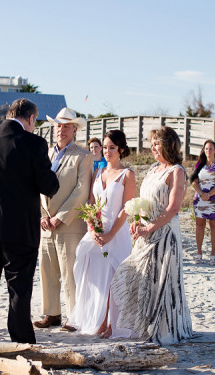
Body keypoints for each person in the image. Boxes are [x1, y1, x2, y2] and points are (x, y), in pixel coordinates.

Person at [0, 98, 59, 344]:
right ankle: (20, 340)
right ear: (30, 119)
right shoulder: (34, 143)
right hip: (18, 228)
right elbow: (49, 186)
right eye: (34, 122)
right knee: (18, 286)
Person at [109, 126, 193, 345]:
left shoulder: (177, 171)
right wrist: (137, 220)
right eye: (152, 143)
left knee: (163, 282)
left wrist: (150, 227)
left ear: (168, 144)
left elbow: (173, 208)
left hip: (164, 235)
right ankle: (146, 327)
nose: (153, 147)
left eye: (157, 143)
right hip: (145, 233)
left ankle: (165, 330)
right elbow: (143, 201)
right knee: (142, 279)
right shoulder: (153, 169)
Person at [65, 130, 135, 335]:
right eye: (104, 147)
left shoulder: (127, 174)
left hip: (117, 232)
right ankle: (99, 320)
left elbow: (126, 208)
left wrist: (110, 234)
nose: (107, 151)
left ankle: (112, 323)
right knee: (94, 275)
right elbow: (91, 204)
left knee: (114, 278)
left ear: (121, 149)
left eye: (112, 147)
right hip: (96, 232)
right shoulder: (98, 173)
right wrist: (91, 227)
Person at [34, 108, 92, 329]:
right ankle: (52, 314)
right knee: (47, 271)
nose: (61, 129)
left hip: (70, 224)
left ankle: (74, 316)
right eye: (58, 125)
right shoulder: (45, 153)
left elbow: (81, 191)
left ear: (75, 130)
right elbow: (36, 184)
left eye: (66, 126)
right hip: (45, 223)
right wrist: (42, 215)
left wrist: (60, 217)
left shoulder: (83, 156)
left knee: (70, 273)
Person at [190, 140, 215, 266]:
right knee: (200, 226)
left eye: (210, 148)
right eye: (206, 149)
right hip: (200, 199)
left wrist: (209, 194)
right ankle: (199, 253)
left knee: (214, 226)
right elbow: (194, 181)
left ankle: (212, 254)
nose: (208, 151)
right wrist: (201, 193)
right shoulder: (199, 164)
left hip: (214, 200)